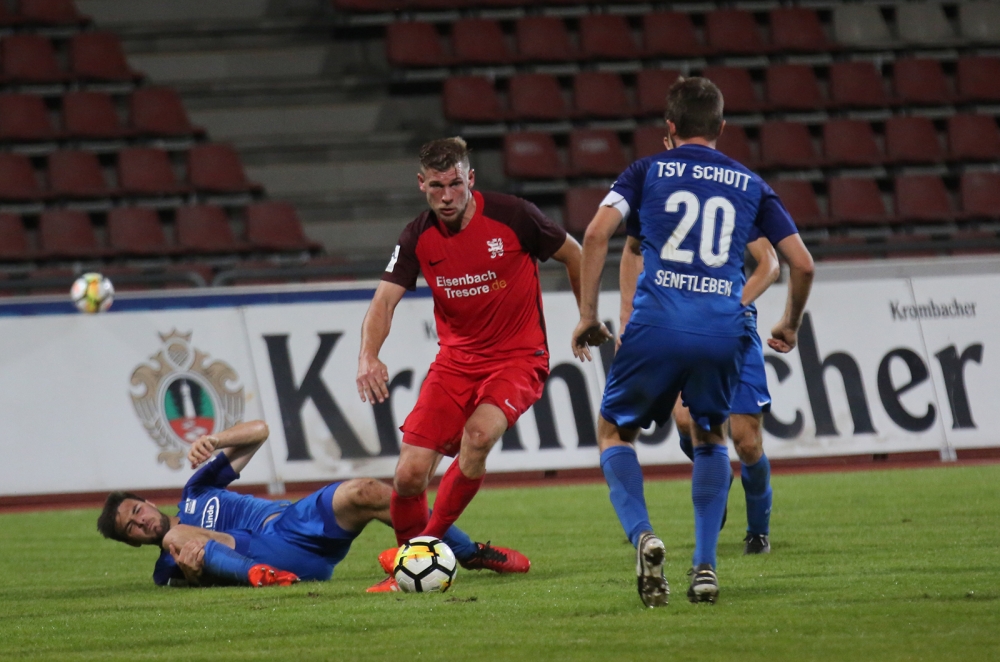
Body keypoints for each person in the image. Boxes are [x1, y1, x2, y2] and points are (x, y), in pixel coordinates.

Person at [572, 77, 814, 607]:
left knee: (614, 432)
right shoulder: (749, 183)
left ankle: (644, 536)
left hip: (657, 323)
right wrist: (790, 324)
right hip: (722, 329)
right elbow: (801, 263)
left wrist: (589, 315)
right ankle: (705, 566)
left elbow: (594, 235)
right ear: (721, 127)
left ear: (670, 127)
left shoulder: (645, 172)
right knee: (711, 437)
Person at [357, 136, 583, 592]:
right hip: (455, 364)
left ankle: (416, 557)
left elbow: (575, 253)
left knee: (477, 437)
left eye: (455, 184)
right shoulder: (417, 236)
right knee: (408, 476)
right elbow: (383, 301)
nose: (446, 196)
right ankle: (413, 566)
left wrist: (588, 316)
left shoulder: (514, 215)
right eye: (436, 186)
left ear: (471, 179)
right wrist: (368, 355)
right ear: (421, 184)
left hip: (518, 359)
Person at [97, 420, 491, 589]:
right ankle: (264, 577)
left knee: (367, 491)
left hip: (292, 523)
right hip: (267, 558)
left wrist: (215, 441)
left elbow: (260, 431)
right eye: (130, 528)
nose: (141, 522)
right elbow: (201, 580)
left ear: (148, 502)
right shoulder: (166, 569)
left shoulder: (195, 491)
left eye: (136, 511)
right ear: (132, 542)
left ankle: (470, 552)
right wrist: (196, 575)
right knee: (178, 537)